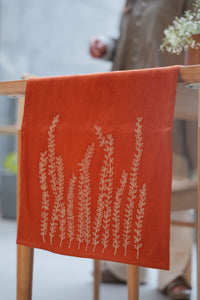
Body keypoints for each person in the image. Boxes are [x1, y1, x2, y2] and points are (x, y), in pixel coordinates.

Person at [89, 1, 197, 299]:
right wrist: (109, 47)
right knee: (125, 183)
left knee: (173, 182)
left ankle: (174, 274)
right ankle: (123, 266)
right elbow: (133, 46)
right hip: (129, 99)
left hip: (172, 98)